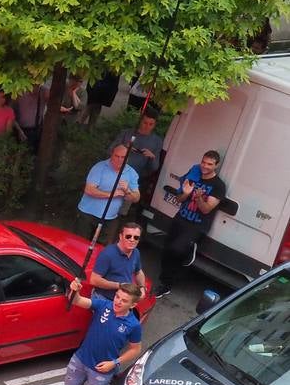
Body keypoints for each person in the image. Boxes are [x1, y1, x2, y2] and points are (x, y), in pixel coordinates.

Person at [154, 150, 227, 298]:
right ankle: (164, 281)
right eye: (204, 162)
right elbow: (180, 200)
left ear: (216, 165)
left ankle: (167, 284)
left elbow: (206, 210)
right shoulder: (194, 175)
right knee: (168, 249)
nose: (205, 166)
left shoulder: (218, 186)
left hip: (197, 225)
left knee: (177, 251)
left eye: (210, 164)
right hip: (181, 218)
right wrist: (186, 193)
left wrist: (199, 198)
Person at [77, 143, 141, 246]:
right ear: (112, 155)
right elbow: (89, 190)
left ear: (127, 158)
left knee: (102, 247)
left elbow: (136, 198)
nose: (119, 159)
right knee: (80, 244)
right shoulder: (100, 167)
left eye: (123, 157)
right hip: (88, 213)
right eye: (117, 156)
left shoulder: (132, 173)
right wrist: (112, 194)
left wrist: (127, 191)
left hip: (110, 218)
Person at [110, 109, 164, 213]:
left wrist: (152, 157)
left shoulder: (157, 141)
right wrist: (124, 147)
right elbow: (110, 150)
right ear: (140, 121)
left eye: (151, 124)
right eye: (145, 122)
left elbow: (154, 168)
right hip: (113, 174)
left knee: (120, 211)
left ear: (155, 125)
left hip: (131, 181)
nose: (147, 126)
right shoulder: (127, 133)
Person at [89, 222, 148, 301]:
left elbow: (138, 272)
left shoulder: (136, 252)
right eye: (128, 236)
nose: (132, 240)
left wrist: (142, 288)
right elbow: (94, 280)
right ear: (120, 236)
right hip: (104, 299)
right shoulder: (108, 254)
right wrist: (119, 285)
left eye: (136, 237)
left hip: (124, 300)